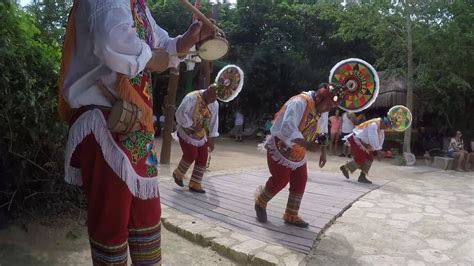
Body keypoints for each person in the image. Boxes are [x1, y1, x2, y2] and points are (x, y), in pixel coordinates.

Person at [57, 0, 211, 264]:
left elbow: (161, 44)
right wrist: (153, 57)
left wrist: (187, 40)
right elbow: (113, 40)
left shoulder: (139, 7)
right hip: (105, 123)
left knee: (148, 217)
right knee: (111, 223)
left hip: (138, 128)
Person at [254, 83, 347, 228]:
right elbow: (287, 127)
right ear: (319, 98)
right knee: (280, 180)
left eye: (331, 107)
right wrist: (309, 145)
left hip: (299, 150)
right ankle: (261, 202)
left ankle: (291, 214)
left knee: (300, 179)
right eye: (328, 105)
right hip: (281, 145)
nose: (329, 109)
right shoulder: (299, 102)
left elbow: (322, 132)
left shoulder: (321, 110)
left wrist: (323, 151)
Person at [172, 85, 219, 193]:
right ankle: (178, 174)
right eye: (211, 98)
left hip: (201, 134)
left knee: (203, 156)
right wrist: (192, 124)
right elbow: (179, 114)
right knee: (191, 154)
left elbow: (214, 122)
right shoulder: (192, 97)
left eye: (214, 99)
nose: (211, 102)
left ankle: (195, 183)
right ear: (207, 91)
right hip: (186, 131)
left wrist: (211, 140)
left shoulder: (215, 104)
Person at [339, 117, 392, 184]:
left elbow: (380, 140)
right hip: (357, 140)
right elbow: (373, 138)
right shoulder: (374, 125)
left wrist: (380, 151)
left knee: (369, 158)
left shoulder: (381, 128)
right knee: (361, 158)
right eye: (387, 127)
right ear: (384, 124)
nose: (387, 128)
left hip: (365, 144)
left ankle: (362, 176)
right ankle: (346, 168)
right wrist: (378, 151)